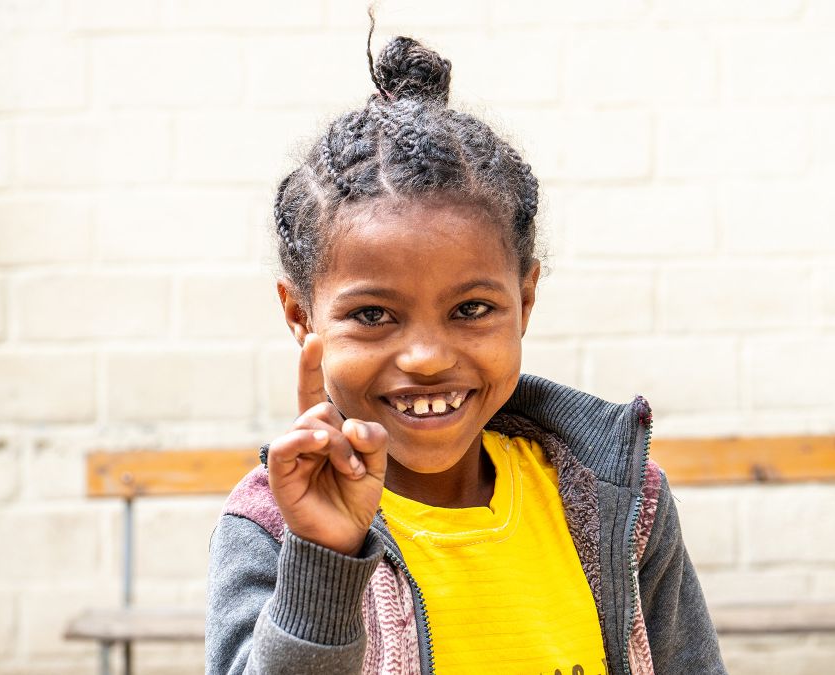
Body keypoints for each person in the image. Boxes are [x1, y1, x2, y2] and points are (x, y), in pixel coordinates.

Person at [206, 32, 725, 675]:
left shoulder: (618, 501)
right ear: (299, 316)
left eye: (471, 310)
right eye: (373, 316)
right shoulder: (274, 526)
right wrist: (323, 564)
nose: (426, 357)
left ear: (525, 300)